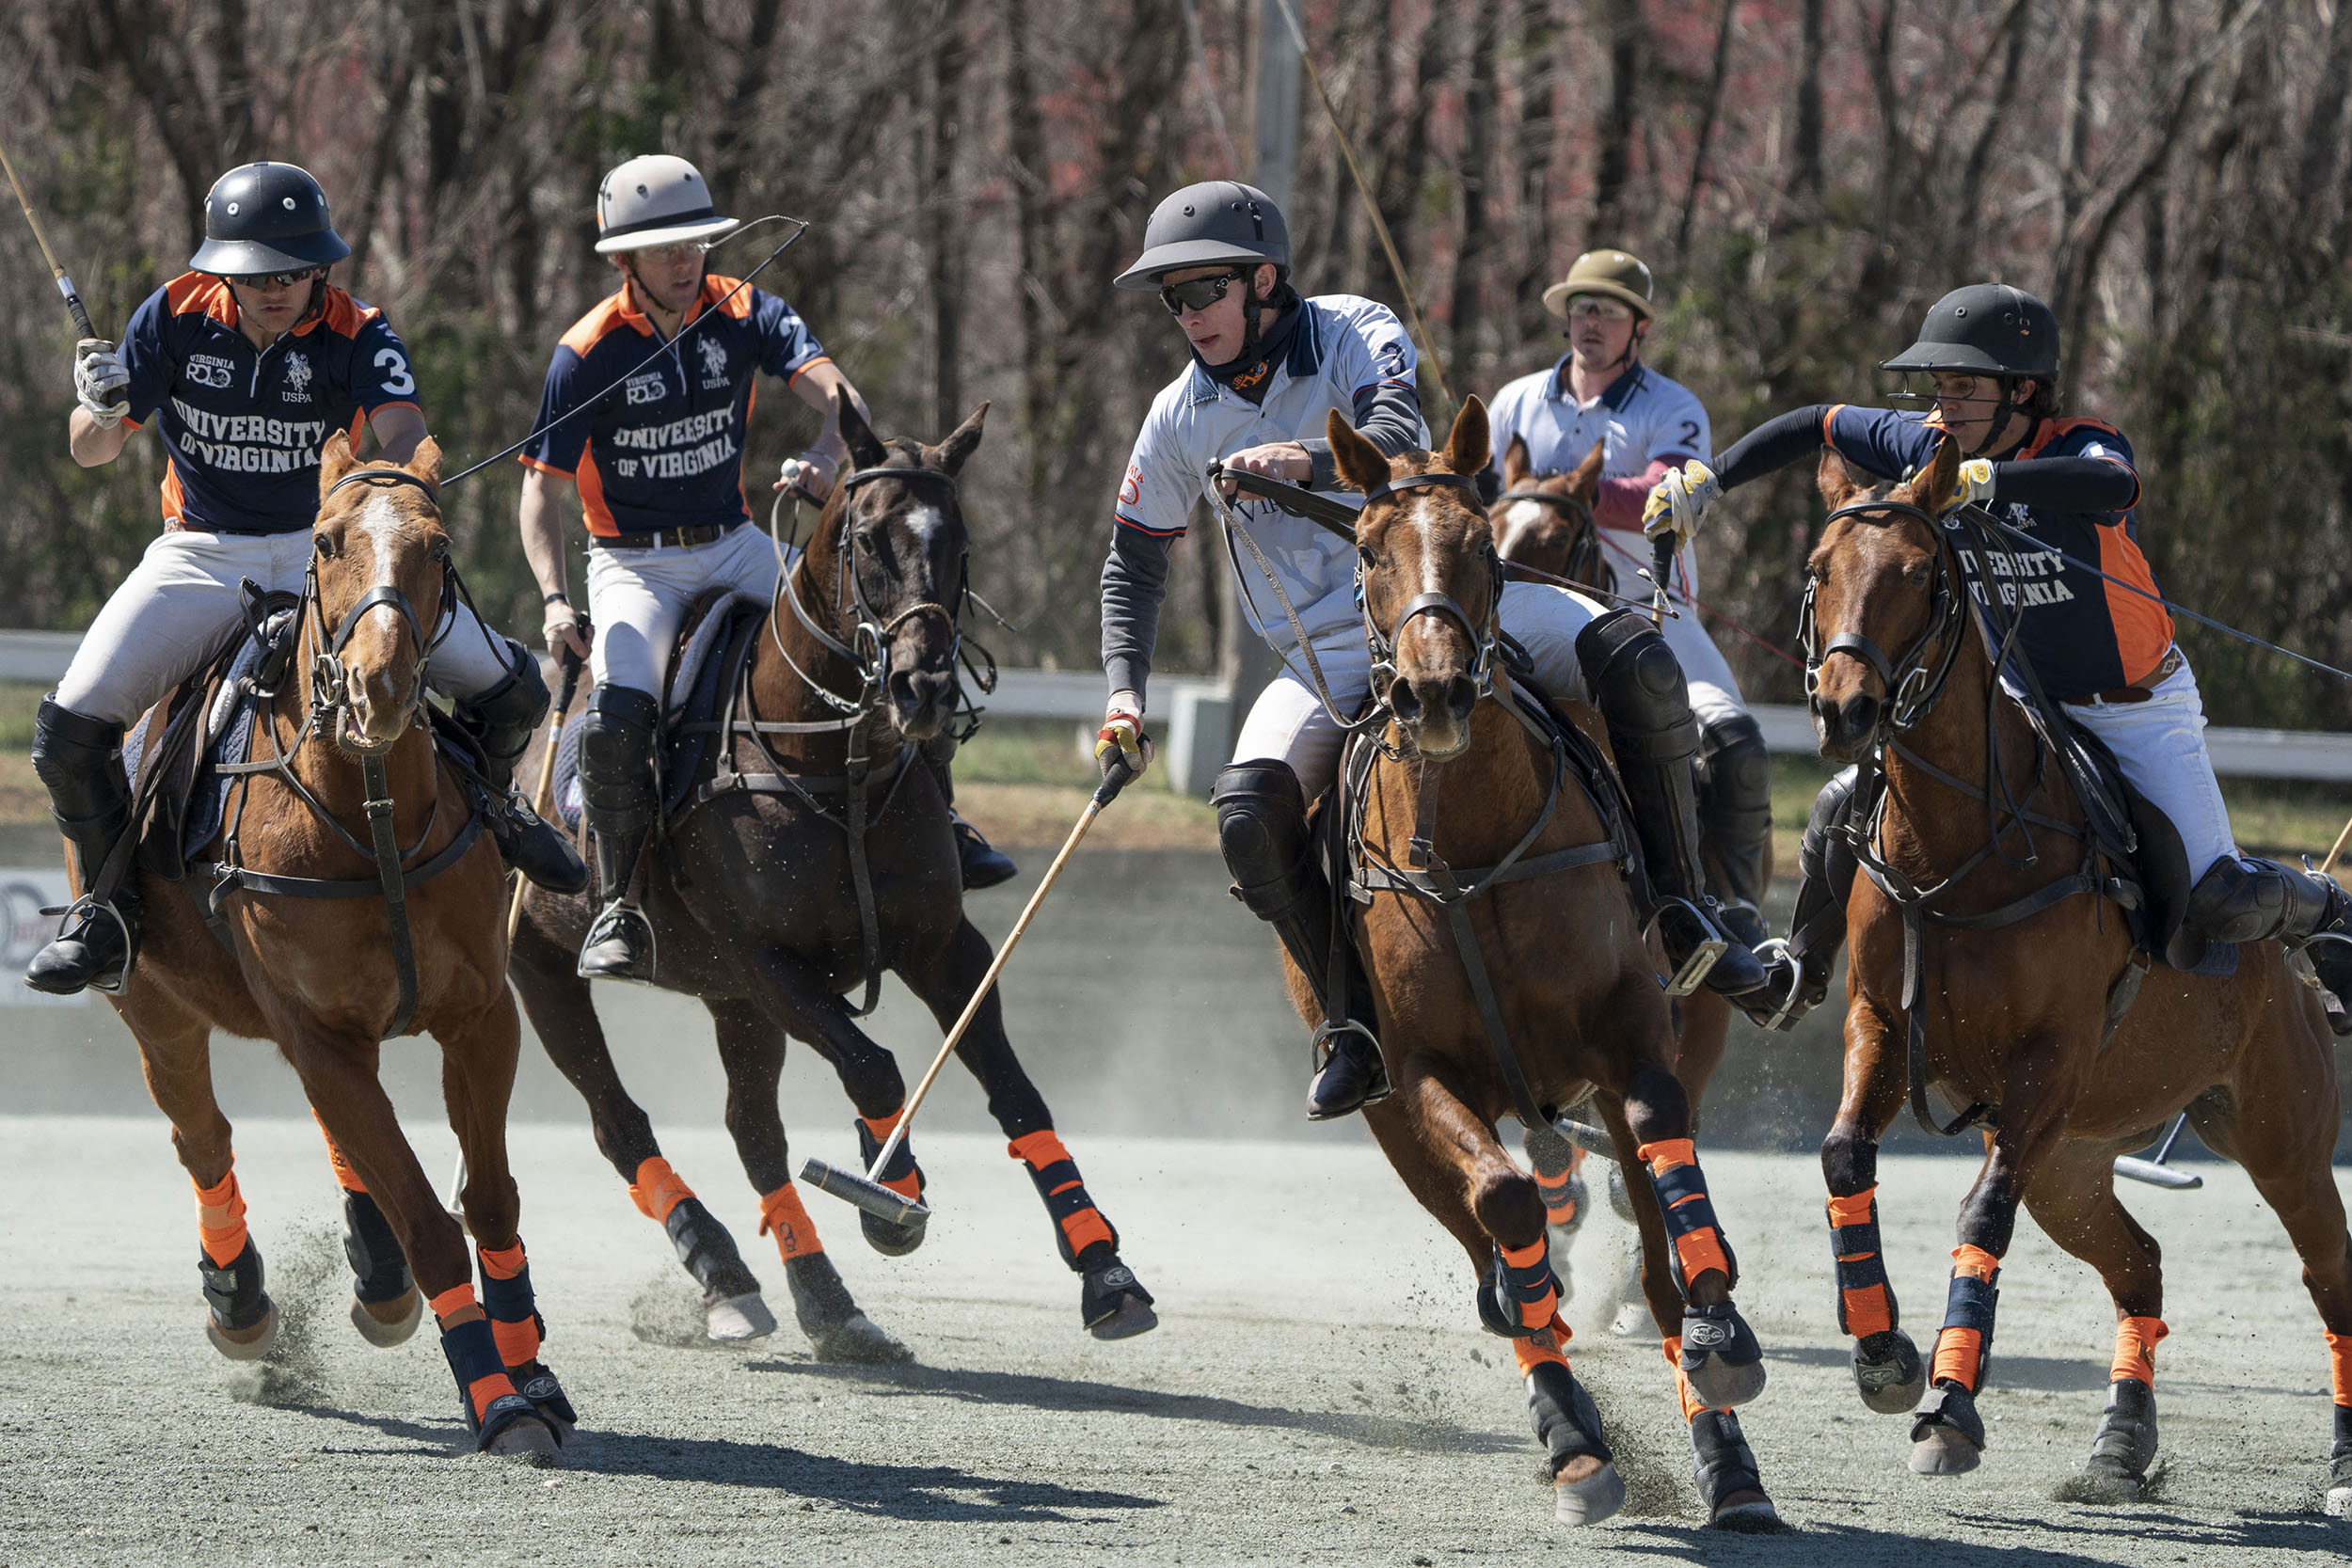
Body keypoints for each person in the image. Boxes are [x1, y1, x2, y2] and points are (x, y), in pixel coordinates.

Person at [1096, 182, 1766, 1122]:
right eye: (1173, 298)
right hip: (1325, 655)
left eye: (1203, 289)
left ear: (1262, 280)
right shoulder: (1176, 416)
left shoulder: (1351, 330)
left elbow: (1394, 431)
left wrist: (1302, 458)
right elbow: (1131, 563)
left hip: (1455, 605)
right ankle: (1352, 1024)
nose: (1187, 314)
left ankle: (1688, 912)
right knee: (1246, 812)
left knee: (1640, 661)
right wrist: (1123, 696)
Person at [1646, 282, 2352, 1032]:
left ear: (2022, 390)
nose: (1944, 406)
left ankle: (2326, 909)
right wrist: (1711, 477)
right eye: (1940, 387)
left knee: (2216, 897)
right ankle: (1798, 972)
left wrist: (1993, 478)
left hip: (2133, 706)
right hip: (2015, 702)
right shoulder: (1934, 447)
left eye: (1965, 387)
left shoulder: (2078, 443)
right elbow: (1814, 422)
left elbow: (2114, 485)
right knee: (1840, 805)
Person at [28, 161, 582, 998]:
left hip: (327, 549)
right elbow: (91, 450)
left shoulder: (358, 329)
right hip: (201, 553)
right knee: (68, 729)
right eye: (258, 275)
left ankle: (497, 807)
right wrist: (98, 408)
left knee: (512, 689)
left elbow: (403, 430)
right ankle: (106, 913)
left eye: (293, 271)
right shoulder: (173, 314)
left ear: (319, 267)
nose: (277, 289)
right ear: (224, 271)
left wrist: (394, 488)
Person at [517, 153, 1014, 984]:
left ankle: (946, 822)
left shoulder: (747, 309)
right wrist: (554, 600)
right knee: (620, 713)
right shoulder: (586, 351)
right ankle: (619, 902)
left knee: (881, 634)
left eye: (696, 243)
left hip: (735, 540)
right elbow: (540, 493)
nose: (686, 261)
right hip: (635, 566)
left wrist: (827, 455)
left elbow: (842, 401)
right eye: (665, 248)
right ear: (625, 259)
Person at [1485, 248, 1773, 955]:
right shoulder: (1514, 401)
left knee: (1735, 746)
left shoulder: (1672, 407)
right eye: (1581, 308)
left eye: (1609, 311)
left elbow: (1666, 491)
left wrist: (1564, 493)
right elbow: (1484, 495)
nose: (1591, 322)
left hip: (1652, 614)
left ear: (1638, 326)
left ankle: (1735, 916)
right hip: (1523, 612)